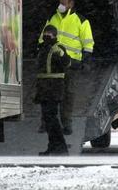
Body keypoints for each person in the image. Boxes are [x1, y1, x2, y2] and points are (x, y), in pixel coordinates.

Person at [37, 0, 94, 135]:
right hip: (53, 62)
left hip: (71, 64)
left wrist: (85, 60)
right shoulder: (52, 18)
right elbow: (41, 39)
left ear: (71, 4)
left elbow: (88, 42)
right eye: (60, 2)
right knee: (49, 94)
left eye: (64, 3)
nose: (60, 5)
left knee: (68, 94)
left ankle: (66, 124)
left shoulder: (81, 21)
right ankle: (46, 123)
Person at [35, 25, 70, 155]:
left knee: (52, 118)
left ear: (55, 35)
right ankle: (53, 146)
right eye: (45, 34)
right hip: (43, 88)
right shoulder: (42, 48)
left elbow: (67, 63)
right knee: (47, 119)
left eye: (49, 34)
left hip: (54, 88)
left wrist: (61, 55)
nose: (46, 36)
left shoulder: (58, 48)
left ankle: (61, 147)